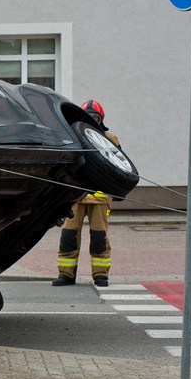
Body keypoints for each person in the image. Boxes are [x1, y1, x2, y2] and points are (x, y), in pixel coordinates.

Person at [52, 100, 121, 288]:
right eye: (89, 116)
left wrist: (119, 188)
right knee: (68, 236)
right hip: (74, 196)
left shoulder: (110, 139)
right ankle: (66, 274)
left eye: (95, 117)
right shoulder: (71, 136)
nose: (92, 120)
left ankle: (101, 275)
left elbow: (120, 166)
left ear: (102, 119)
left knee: (99, 238)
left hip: (100, 198)